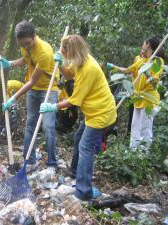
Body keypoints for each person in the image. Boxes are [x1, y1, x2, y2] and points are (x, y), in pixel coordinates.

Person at [39, 35, 117, 201]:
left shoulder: (90, 69)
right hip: (92, 113)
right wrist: (60, 65)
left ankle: (83, 192)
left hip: (101, 114)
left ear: (72, 51)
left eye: (65, 53)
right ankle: (76, 174)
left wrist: (53, 107)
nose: (65, 56)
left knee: (85, 146)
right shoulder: (79, 60)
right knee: (78, 138)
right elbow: (69, 76)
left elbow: (75, 100)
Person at [0, 20, 59, 171]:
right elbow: (26, 59)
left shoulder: (44, 52)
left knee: (48, 127)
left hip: (48, 90)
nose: (25, 46)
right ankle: (30, 161)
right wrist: (9, 63)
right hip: (33, 90)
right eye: (22, 44)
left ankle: (52, 163)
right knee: (30, 125)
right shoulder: (26, 46)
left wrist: (13, 98)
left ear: (34, 36)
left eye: (27, 43)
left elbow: (31, 81)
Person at [107, 37, 164, 150]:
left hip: (149, 99)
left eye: (144, 44)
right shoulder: (141, 60)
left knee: (145, 128)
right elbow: (127, 70)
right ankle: (133, 152)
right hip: (138, 98)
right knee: (135, 127)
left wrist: (147, 74)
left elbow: (155, 81)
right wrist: (113, 66)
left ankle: (143, 155)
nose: (142, 46)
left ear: (148, 46)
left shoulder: (157, 61)